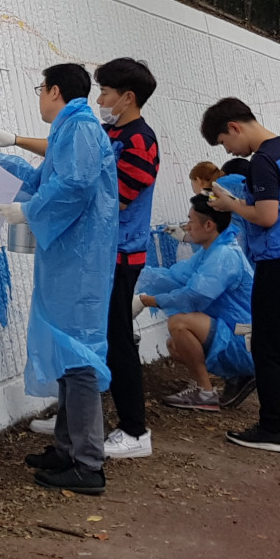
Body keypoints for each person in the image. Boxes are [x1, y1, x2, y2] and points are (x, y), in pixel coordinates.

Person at [0, 62, 118, 495]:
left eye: (40, 88)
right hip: (69, 260)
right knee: (65, 352)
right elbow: (44, 180)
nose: (38, 95)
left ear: (54, 91)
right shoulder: (70, 128)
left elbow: (73, 186)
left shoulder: (78, 128)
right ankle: (66, 448)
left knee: (77, 359)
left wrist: (29, 210)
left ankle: (88, 463)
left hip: (80, 264)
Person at [203, 98, 280, 454]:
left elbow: (267, 216)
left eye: (225, 141)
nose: (229, 149)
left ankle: (271, 429)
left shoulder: (263, 161)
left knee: (267, 349)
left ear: (235, 128)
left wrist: (230, 205)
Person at [91, 58, 161, 460]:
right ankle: (80, 413)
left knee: (119, 339)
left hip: (122, 254)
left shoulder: (140, 140)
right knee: (98, 335)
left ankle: (135, 430)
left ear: (128, 97)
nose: (100, 99)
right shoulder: (111, 132)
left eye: (105, 93)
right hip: (103, 252)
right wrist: (16, 140)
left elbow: (115, 197)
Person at [138, 190, 254, 411]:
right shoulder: (212, 250)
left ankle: (205, 393)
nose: (187, 227)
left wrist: (148, 301)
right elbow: (175, 276)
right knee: (175, 346)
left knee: (179, 323)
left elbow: (195, 296)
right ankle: (234, 376)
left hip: (245, 341)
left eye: (191, 221)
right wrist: (132, 274)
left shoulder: (224, 256)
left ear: (209, 225)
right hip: (237, 334)